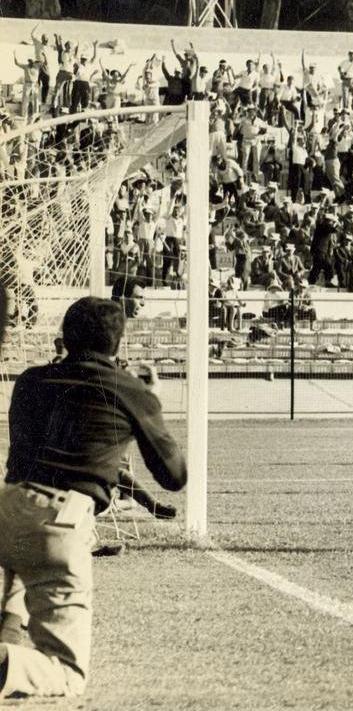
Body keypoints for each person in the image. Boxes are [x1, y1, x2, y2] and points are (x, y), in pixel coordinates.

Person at [0, 297, 187, 698]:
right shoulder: (127, 389)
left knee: (18, 572)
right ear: (117, 343)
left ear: (64, 337)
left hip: (8, 505)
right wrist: (146, 402)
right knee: (66, 674)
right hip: (61, 520)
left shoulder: (30, 381)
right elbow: (174, 476)